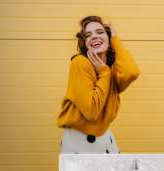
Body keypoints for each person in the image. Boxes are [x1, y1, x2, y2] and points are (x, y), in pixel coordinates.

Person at [57, 15, 140, 154]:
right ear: (84, 43)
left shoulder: (113, 69)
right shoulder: (80, 63)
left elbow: (132, 72)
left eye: (100, 32)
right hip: (78, 140)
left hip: (105, 137)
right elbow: (91, 111)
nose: (94, 36)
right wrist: (104, 73)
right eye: (88, 35)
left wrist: (115, 40)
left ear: (109, 39)